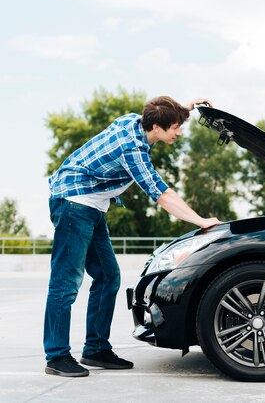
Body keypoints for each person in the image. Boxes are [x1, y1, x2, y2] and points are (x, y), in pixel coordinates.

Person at [44, 96, 221, 377]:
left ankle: (95, 349)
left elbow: (158, 112)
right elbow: (161, 193)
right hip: (73, 202)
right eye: (176, 127)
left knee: (108, 277)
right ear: (158, 127)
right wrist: (200, 220)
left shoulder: (135, 121)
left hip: (92, 205)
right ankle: (56, 356)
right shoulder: (133, 149)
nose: (178, 133)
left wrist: (185, 108)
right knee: (66, 282)